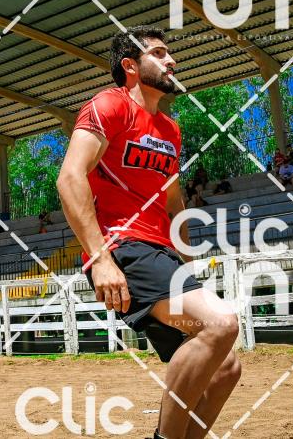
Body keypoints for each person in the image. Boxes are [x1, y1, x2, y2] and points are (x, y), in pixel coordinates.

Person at [57, 26, 240, 439]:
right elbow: (69, 178)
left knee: (226, 368)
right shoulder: (109, 105)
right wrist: (100, 259)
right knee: (221, 324)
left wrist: (186, 262)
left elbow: (173, 201)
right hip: (123, 246)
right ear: (130, 65)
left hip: (162, 254)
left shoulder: (170, 130)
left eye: (169, 53)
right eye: (158, 53)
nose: (171, 60)